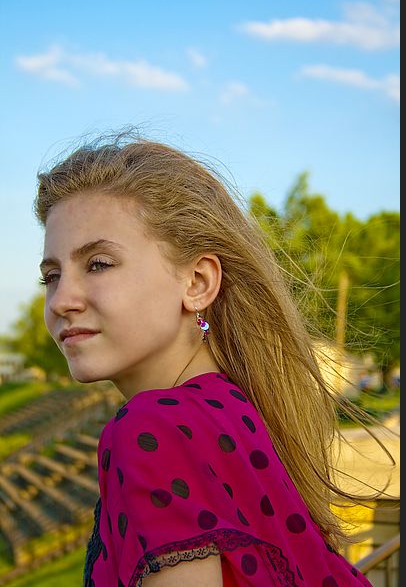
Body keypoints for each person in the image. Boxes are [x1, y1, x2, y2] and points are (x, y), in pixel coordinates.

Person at [34, 132, 374, 586]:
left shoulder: (148, 428)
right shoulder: (239, 407)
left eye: (98, 263)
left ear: (197, 282)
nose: (61, 301)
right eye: (51, 276)